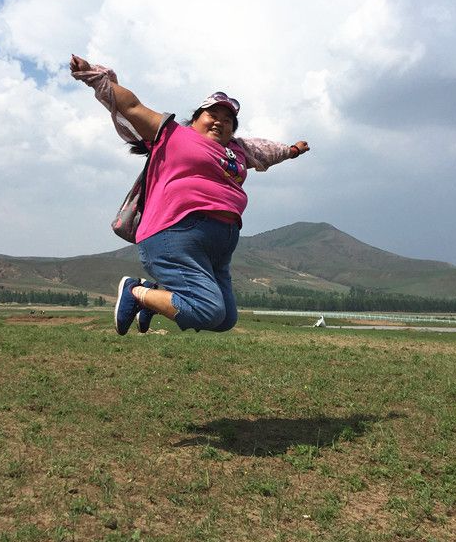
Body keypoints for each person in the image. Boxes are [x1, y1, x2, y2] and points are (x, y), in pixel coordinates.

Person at [70, 54, 309, 336]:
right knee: (208, 310)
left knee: (225, 319)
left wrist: (291, 151)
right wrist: (96, 77)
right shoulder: (172, 134)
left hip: (220, 246)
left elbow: (266, 150)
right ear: (195, 118)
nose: (220, 122)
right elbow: (132, 106)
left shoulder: (239, 150)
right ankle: (135, 292)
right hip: (175, 232)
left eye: (228, 120)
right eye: (212, 115)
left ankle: (152, 298)